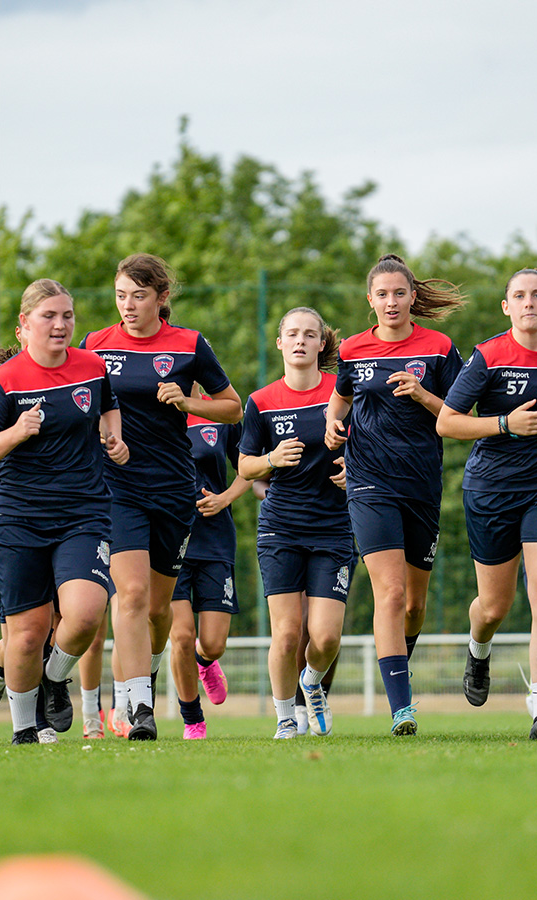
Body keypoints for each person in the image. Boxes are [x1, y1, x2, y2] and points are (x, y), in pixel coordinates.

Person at [79, 254, 241, 740]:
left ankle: (140, 678)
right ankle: (138, 706)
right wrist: (104, 440)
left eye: (139, 295)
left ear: (162, 297)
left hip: (173, 490)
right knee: (128, 595)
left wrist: (189, 401)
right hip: (116, 487)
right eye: (121, 295)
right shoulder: (95, 345)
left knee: (156, 611)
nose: (128, 306)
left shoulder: (190, 345)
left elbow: (233, 408)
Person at [0, 279, 128, 744]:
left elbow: (108, 407)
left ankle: (55, 678)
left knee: (83, 614)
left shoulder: (92, 366)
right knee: (27, 632)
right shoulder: (4, 382)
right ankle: (25, 730)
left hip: (83, 511)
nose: (60, 325)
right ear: (23, 326)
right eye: (48, 317)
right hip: (19, 517)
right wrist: (16, 432)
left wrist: (113, 438)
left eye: (67, 316)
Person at [437, 268, 537, 741]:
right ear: (507, 307)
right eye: (519, 296)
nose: (528, 303)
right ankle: (479, 649)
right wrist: (505, 424)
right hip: (492, 490)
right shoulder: (490, 355)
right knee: (495, 606)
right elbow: (447, 422)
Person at [325, 254, 464, 735]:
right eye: (382, 295)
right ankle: (401, 707)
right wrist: (331, 423)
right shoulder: (354, 350)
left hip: (422, 484)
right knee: (391, 592)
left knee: (413, 606)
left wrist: (423, 394)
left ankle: (397, 672)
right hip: (368, 482)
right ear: (371, 301)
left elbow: (460, 414)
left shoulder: (439, 348)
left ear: (412, 297)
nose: (391, 302)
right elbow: (340, 396)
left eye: (399, 293)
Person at [240, 307, 355, 739]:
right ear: (280, 343)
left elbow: (367, 445)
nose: (301, 340)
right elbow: (245, 466)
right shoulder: (262, 402)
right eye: (293, 334)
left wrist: (354, 471)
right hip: (280, 527)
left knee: (323, 638)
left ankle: (312, 681)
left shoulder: (341, 394)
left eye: (310, 334)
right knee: (287, 633)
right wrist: (270, 459)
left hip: (334, 525)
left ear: (322, 343)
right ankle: (286, 718)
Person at [169, 401, 249, 739]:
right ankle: (193, 719)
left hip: (214, 540)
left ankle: (205, 662)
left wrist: (226, 497)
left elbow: (250, 466)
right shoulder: (149, 415)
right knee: (182, 636)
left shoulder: (222, 414)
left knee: (212, 643)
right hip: (168, 539)